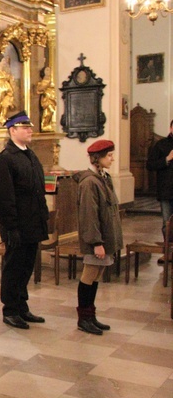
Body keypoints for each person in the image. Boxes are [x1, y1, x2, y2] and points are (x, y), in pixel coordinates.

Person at [0, 111, 49, 329]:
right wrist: (10, 227)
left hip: (33, 223)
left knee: (26, 267)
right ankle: (10, 309)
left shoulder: (30, 155)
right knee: (14, 267)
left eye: (30, 126)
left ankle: (22, 306)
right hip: (17, 225)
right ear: (12, 130)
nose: (30, 130)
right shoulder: (4, 160)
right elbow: (2, 197)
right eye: (24, 127)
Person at [73, 140, 122, 335]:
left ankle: (90, 315)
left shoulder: (103, 178)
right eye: (109, 155)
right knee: (89, 276)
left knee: (95, 278)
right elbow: (89, 215)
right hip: (96, 239)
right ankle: (83, 318)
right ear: (97, 158)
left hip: (105, 237)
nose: (112, 158)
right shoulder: (89, 182)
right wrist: (96, 242)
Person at [146, 119, 173, 263]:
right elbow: (150, 165)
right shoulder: (161, 145)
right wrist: (167, 159)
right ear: (170, 128)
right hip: (166, 191)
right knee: (167, 224)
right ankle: (167, 252)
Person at [36, 66, 56, 132]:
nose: (48, 72)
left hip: (52, 98)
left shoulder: (51, 80)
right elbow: (40, 89)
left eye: (49, 70)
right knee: (49, 111)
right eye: (47, 70)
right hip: (47, 98)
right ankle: (44, 125)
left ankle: (48, 124)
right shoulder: (45, 80)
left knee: (52, 111)